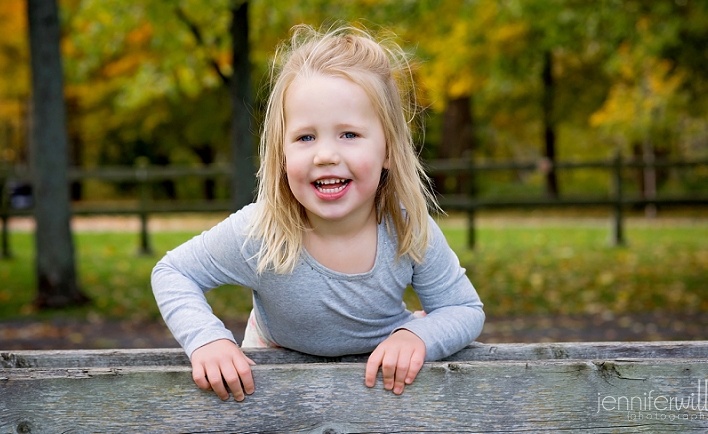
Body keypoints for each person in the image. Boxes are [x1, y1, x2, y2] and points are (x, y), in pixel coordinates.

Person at [151, 24, 484, 402]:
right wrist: (207, 340)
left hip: (380, 389)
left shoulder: (406, 229)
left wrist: (417, 336)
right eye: (306, 137)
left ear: (388, 150)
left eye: (349, 135)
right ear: (281, 154)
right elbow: (173, 272)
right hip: (272, 389)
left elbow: (464, 308)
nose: (325, 155)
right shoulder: (262, 230)